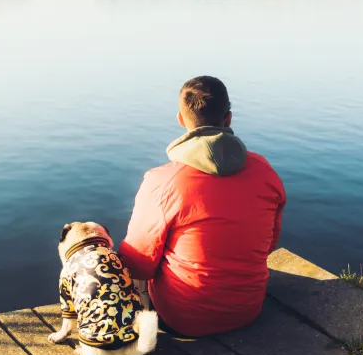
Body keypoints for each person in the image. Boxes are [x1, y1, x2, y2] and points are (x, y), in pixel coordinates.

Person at [118, 76, 286, 337]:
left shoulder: (162, 182)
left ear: (181, 119)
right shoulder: (265, 171)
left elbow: (138, 265)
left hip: (182, 319)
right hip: (248, 310)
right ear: (228, 118)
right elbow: (270, 243)